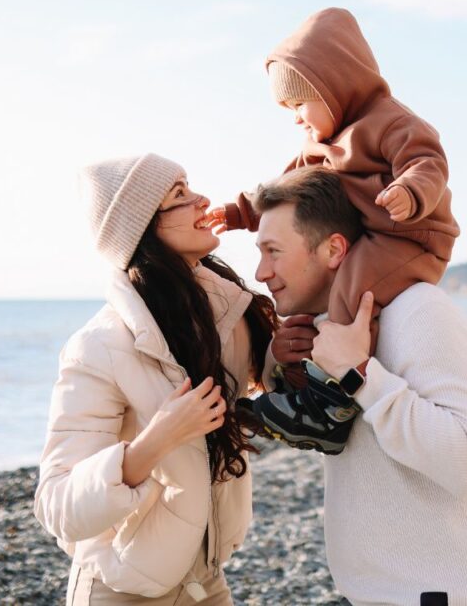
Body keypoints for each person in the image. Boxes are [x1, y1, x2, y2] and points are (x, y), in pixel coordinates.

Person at [248, 167, 467, 605]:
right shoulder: (323, 330)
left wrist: (359, 374)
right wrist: (276, 362)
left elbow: (465, 460)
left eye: (273, 251)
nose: (261, 272)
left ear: (334, 248)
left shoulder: (420, 312)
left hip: (440, 595)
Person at [33, 153, 278, 605]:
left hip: (208, 583)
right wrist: (156, 441)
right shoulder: (99, 346)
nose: (203, 199)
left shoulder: (230, 316)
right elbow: (57, 505)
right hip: (122, 591)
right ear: (143, 226)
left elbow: (285, 391)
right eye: (179, 195)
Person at [211, 7, 461, 447]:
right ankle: (297, 384)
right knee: (314, 305)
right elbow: (282, 187)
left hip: (411, 236)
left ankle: (330, 408)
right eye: (287, 108)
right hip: (371, 235)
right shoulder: (318, 146)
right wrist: (236, 213)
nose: (294, 117)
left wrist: (409, 191)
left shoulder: (390, 122)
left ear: (335, 87)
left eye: (299, 103)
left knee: (350, 291)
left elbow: (428, 162)